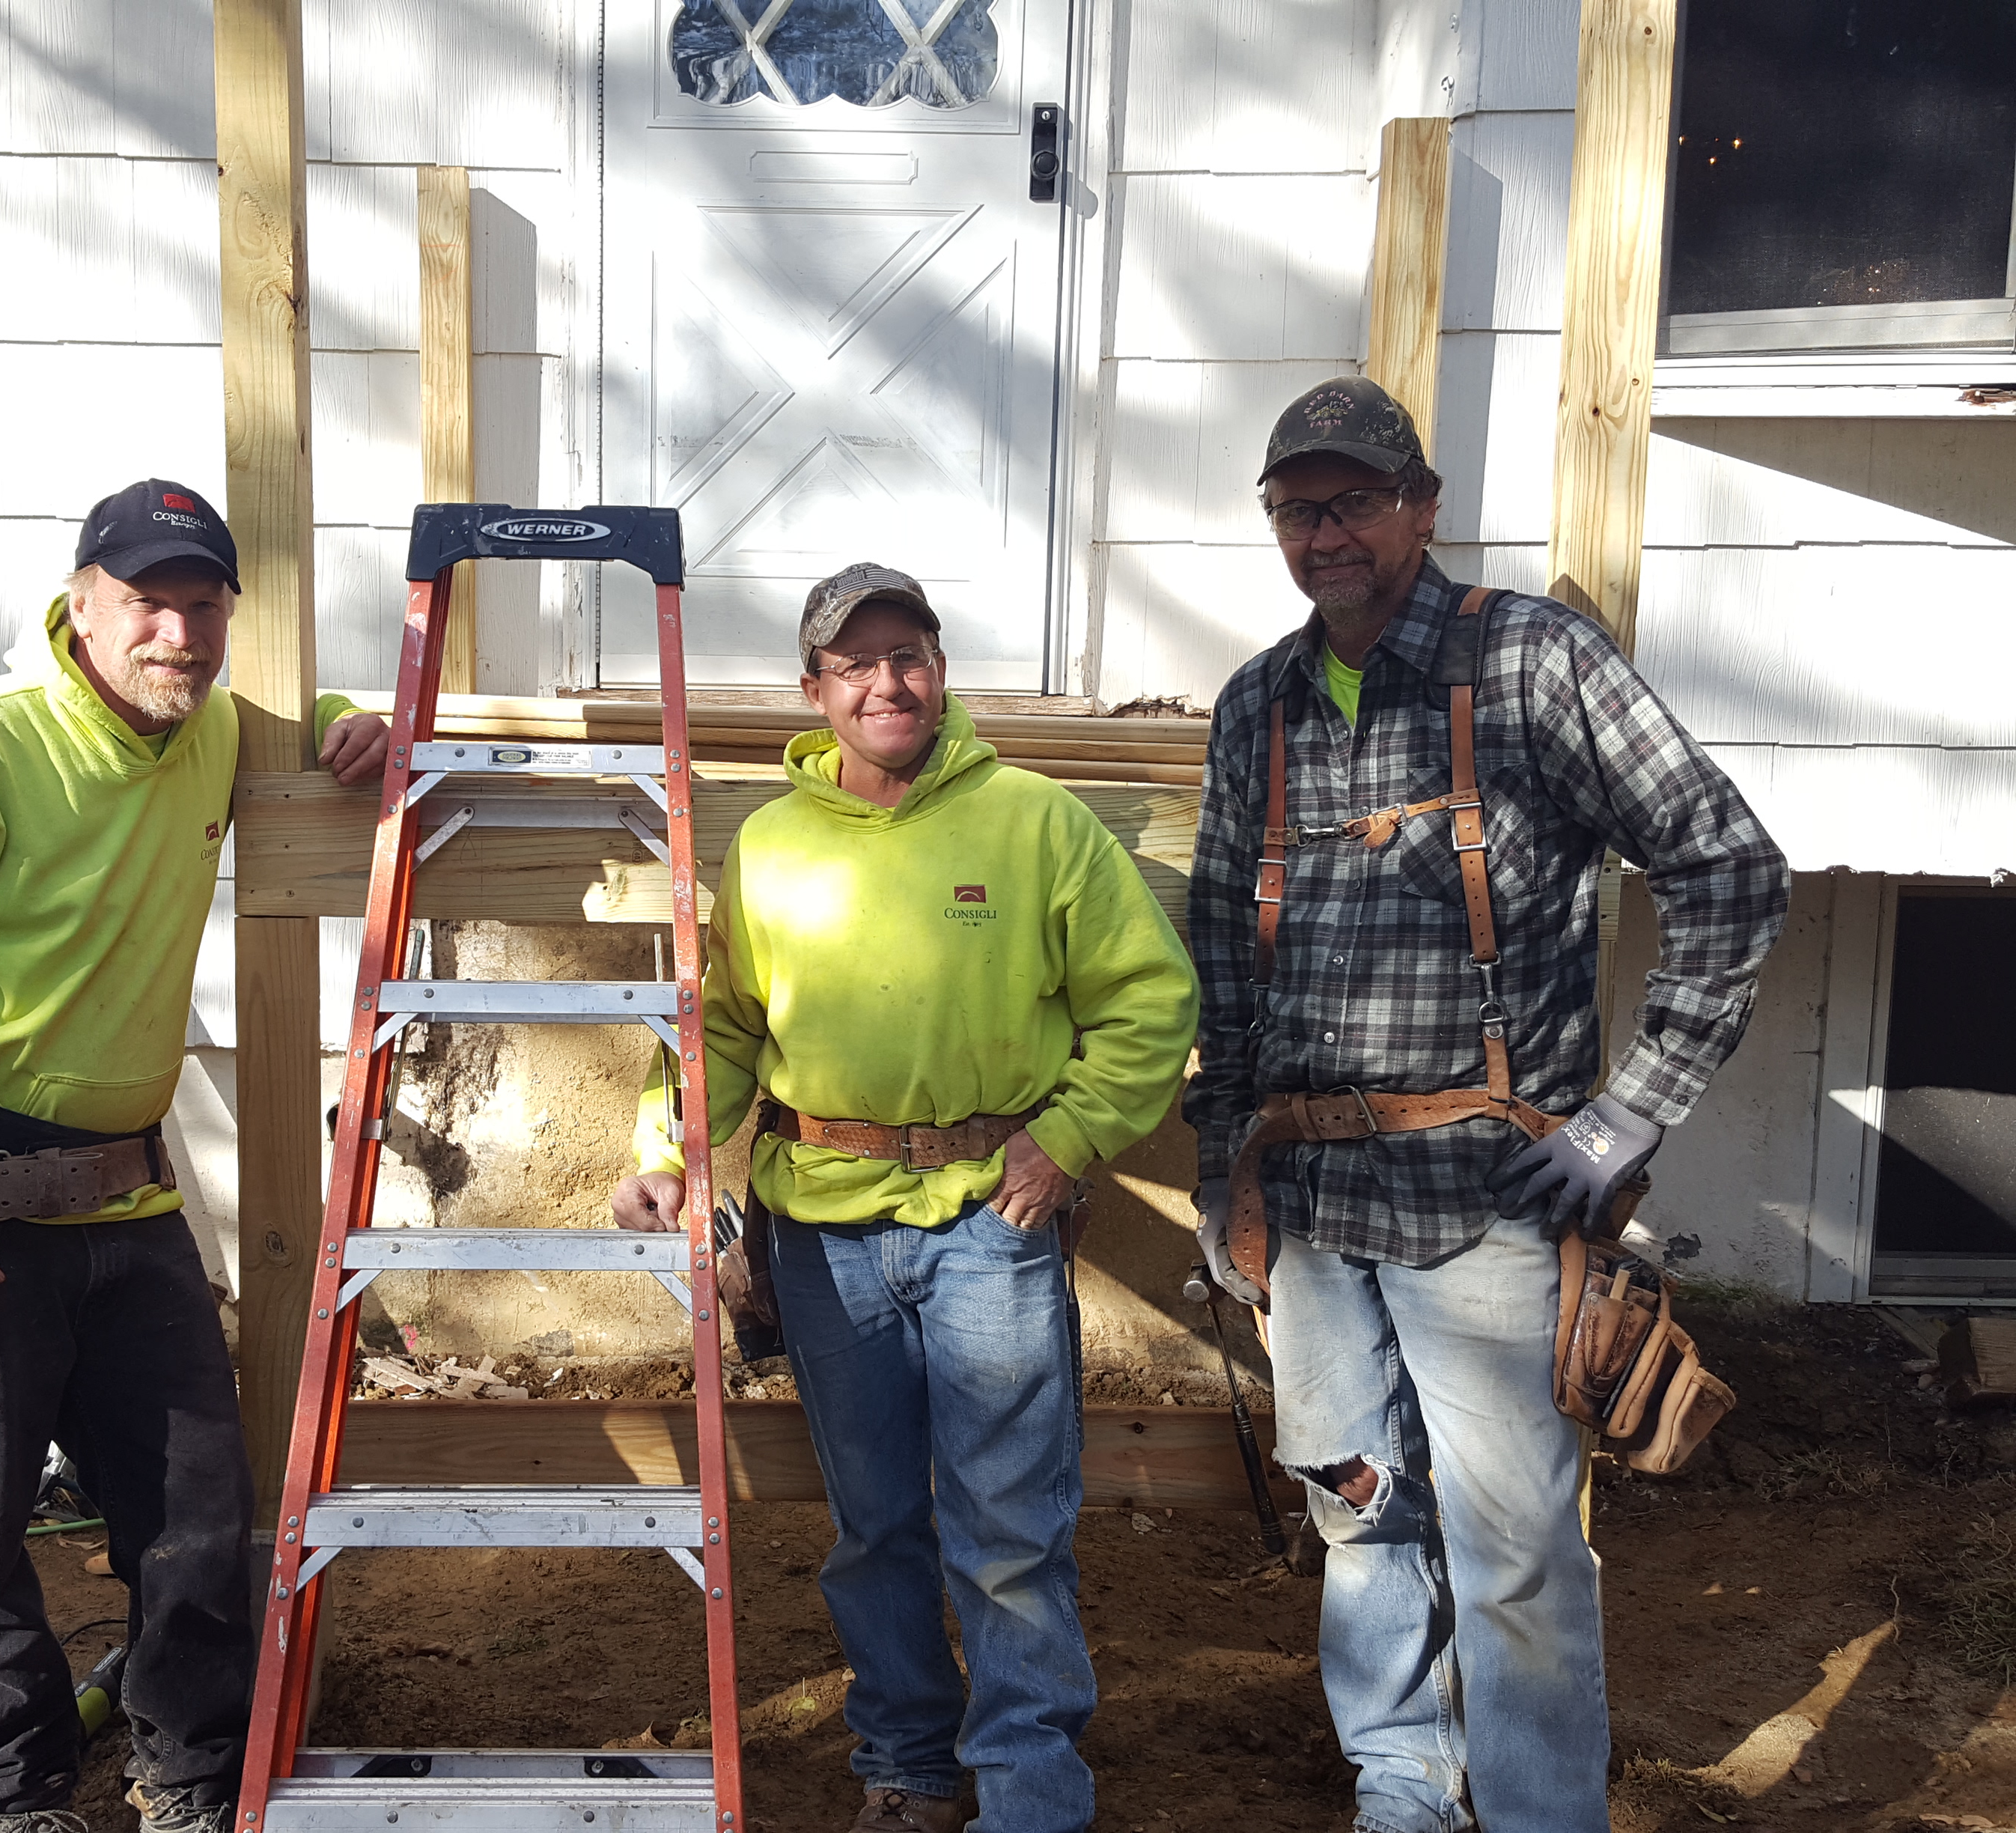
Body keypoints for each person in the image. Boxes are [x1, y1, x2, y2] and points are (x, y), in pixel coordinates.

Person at [1184, 377, 1789, 1833]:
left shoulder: (1530, 663)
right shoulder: (1258, 702)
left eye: (1353, 502)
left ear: (1422, 508)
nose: (1324, 534)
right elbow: (1219, 943)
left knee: (1517, 1558)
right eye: (1295, 508)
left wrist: (1631, 1112)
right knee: (1358, 1511)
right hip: (1316, 1214)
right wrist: (1224, 1178)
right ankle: (1404, 1792)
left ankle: (1530, 1816)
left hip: (1490, 1218)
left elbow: (1726, 864)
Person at [0, 480, 388, 1833]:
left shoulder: (214, 729)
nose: (175, 633)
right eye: (146, 603)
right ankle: (13, 1795)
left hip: (129, 1196)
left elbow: (312, 721)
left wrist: (353, 720)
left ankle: (186, 1772)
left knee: (193, 1507)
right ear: (81, 603)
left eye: (202, 605)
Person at [607, 564, 1199, 1833]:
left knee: (1009, 1528)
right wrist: (670, 1149)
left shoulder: (1034, 823)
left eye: (911, 653)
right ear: (815, 689)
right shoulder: (769, 844)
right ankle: (909, 1768)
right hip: (822, 1230)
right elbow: (718, 1029)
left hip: (993, 1218)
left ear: (941, 670)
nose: (889, 681)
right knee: (874, 1525)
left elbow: (1151, 999)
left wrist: (1072, 1138)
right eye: (857, 661)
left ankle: (1030, 1789)